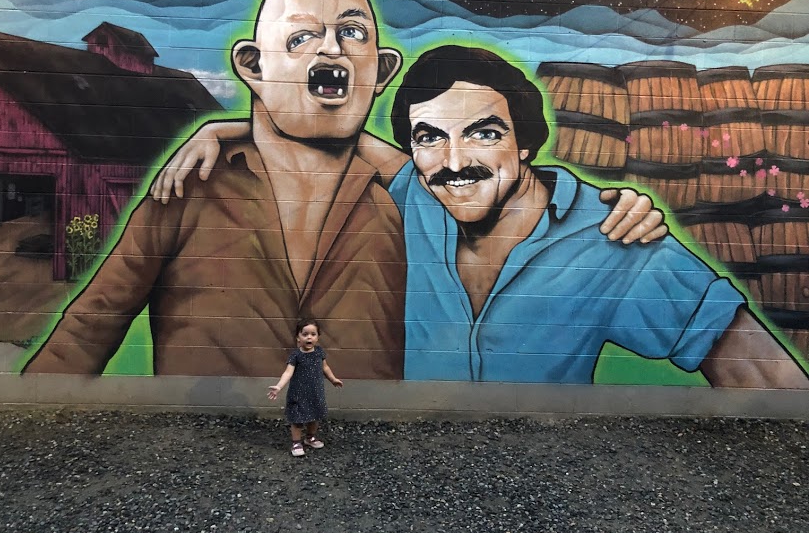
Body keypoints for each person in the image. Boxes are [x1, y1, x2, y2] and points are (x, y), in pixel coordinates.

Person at [157, 45, 808, 388]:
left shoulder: (611, 237)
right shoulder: (410, 192)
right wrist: (223, 130)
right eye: (430, 137)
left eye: (483, 134)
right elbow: (322, 131)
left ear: (524, 142)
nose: (453, 160)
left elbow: (761, 376)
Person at [22, 0, 410, 378]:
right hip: (203, 436)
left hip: (354, 441)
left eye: (353, 33)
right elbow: (90, 324)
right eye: (301, 37)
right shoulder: (191, 185)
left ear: (383, 71)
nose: (332, 48)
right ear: (252, 67)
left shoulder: (402, 208)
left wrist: (225, 127)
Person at [269, 319, 343, 457]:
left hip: (315, 392)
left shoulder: (319, 352)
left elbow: (325, 367)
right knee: (297, 418)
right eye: (305, 334)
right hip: (298, 393)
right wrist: (279, 386)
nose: (309, 337)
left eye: (313, 334)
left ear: (317, 337)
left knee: (314, 416)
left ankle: (310, 437)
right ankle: (296, 443)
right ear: (298, 337)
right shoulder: (296, 355)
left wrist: (333, 379)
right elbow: (288, 372)